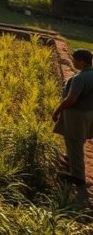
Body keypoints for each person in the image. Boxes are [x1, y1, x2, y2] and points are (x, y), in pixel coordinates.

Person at [53, 48, 93, 186]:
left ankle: (78, 177)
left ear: (81, 62)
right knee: (78, 141)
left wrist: (57, 111)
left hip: (76, 115)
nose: (73, 62)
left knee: (74, 143)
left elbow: (71, 99)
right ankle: (70, 160)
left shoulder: (79, 78)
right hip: (88, 114)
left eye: (74, 59)